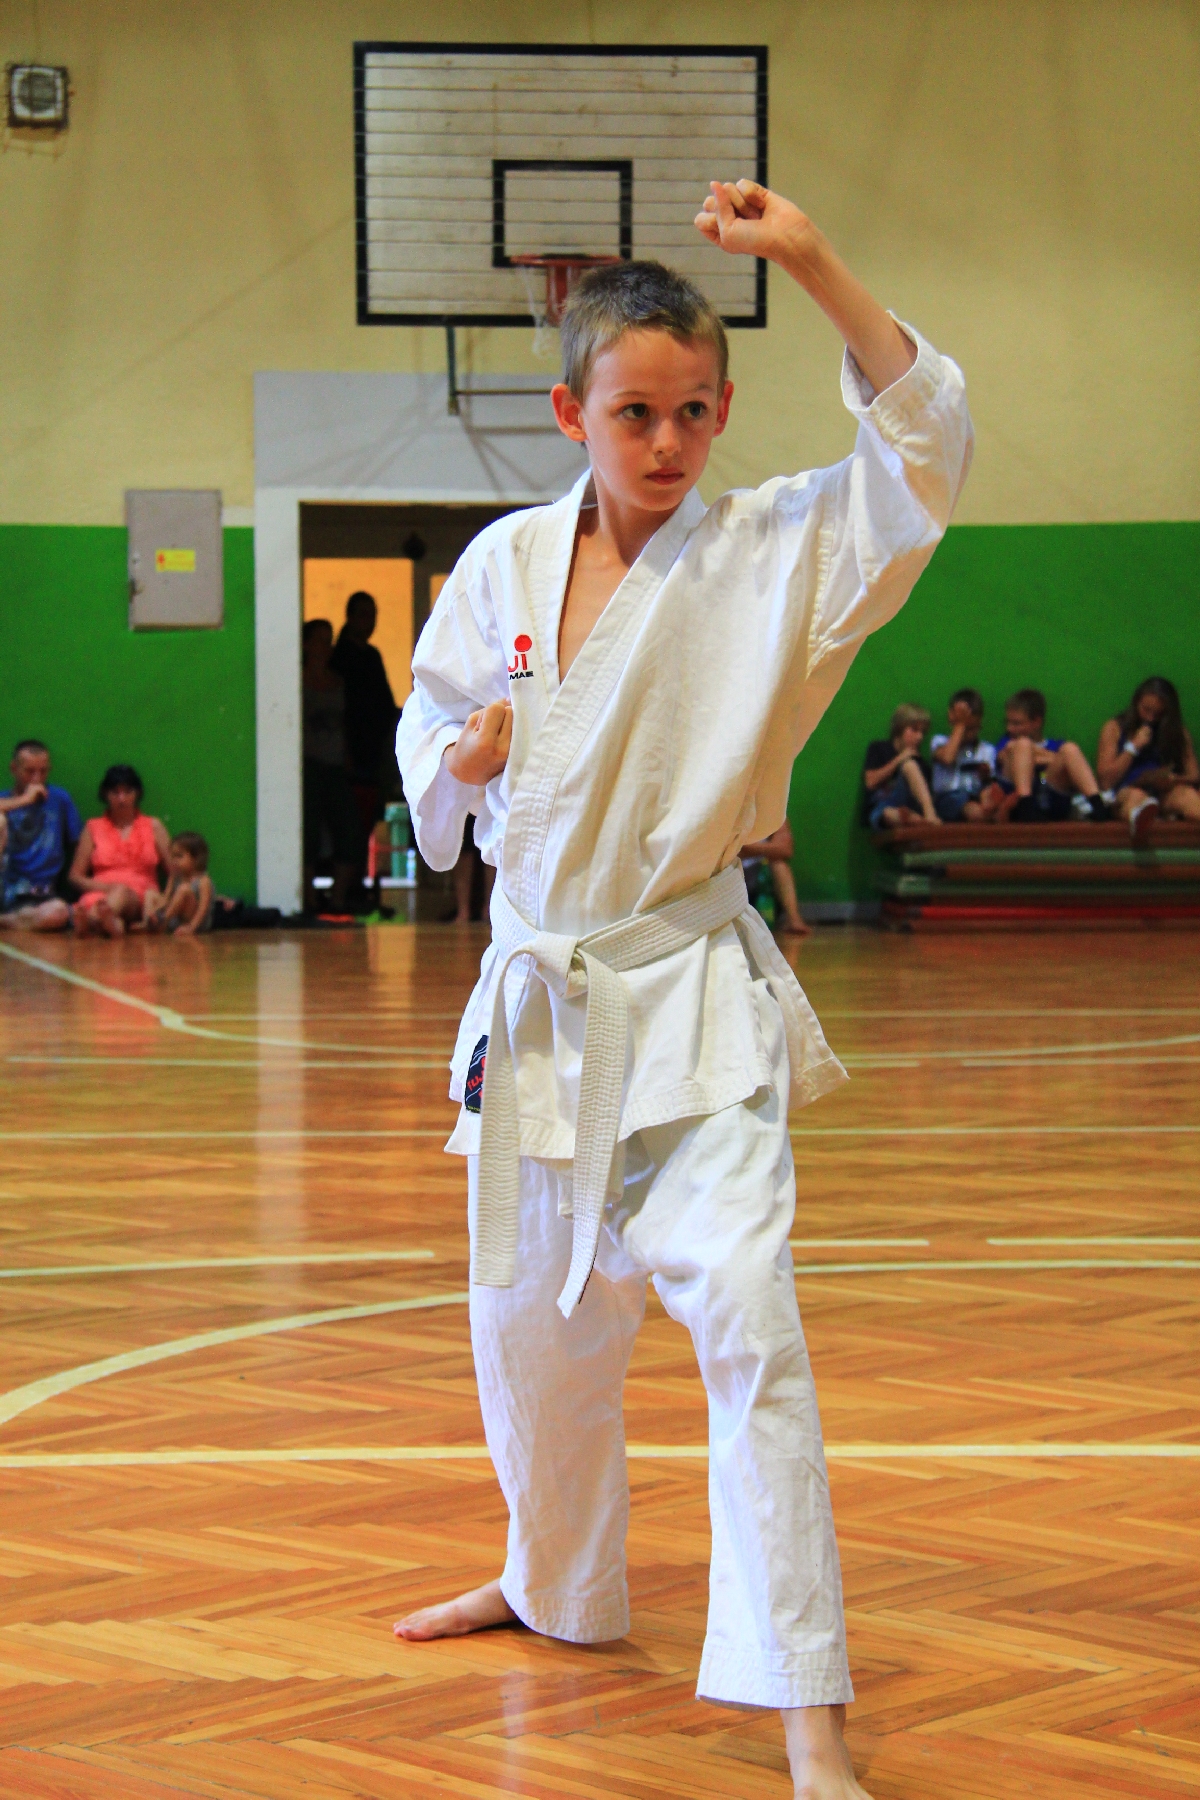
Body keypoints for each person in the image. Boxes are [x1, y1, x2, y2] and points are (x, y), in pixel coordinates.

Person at [394, 178, 971, 1800]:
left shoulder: (782, 550)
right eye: (634, 413)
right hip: (542, 1010)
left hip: (692, 1001)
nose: (667, 443)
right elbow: (428, 739)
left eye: (695, 412)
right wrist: (464, 757)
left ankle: (806, 1712)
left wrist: (813, 260)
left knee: (750, 1331)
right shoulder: (505, 564)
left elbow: (925, 448)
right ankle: (552, 1584)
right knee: (534, 1335)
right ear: (570, 413)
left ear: (724, 409)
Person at [1096, 676, 1200, 843]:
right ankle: (1142, 820)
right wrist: (1133, 747)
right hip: (1127, 791)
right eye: (1146, 710)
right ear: (1136, 703)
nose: (1150, 718)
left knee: (1187, 796)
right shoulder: (1114, 728)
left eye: (1158, 714)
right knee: (1136, 798)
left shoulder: (1177, 732)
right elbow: (1106, 781)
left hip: (1163, 793)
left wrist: (1173, 780)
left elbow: (1194, 775)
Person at [302, 617, 361, 913]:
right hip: (308, 767)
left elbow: (344, 724)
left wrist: (348, 758)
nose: (326, 647)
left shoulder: (339, 681)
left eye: (329, 640)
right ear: (305, 644)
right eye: (319, 640)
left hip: (336, 766)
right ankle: (308, 900)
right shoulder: (296, 679)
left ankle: (337, 900)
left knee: (348, 831)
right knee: (308, 834)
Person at [69, 765, 169, 937]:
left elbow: (176, 872)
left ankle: (92, 922)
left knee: (121, 894)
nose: (121, 799)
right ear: (106, 794)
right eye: (115, 793)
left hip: (139, 897)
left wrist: (164, 901)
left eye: (128, 792)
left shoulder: (153, 826)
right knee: (102, 903)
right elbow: (75, 876)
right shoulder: (93, 827)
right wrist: (108, 888)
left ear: (137, 793)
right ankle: (111, 924)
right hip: (100, 894)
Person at [0, 739, 80, 931]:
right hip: (6, 889)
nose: (37, 779)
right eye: (29, 771)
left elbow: (77, 842)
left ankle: (7, 921)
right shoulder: (5, 799)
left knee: (58, 913)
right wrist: (24, 800)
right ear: (14, 769)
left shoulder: (59, 799)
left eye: (43, 771)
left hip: (43, 894)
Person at [995, 689, 1108, 823]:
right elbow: (1005, 755)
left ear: (1036, 722)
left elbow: (1074, 765)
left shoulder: (1057, 746)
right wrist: (1049, 758)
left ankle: (1098, 806)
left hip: (1050, 797)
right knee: (1022, 745)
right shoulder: (1006, 741)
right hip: (1016, 802)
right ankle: (1026, 808)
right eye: (1007, 722)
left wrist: (1032, 758)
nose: (1009, 728)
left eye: (1016, 723)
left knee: (1070, 749)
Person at [330, 590, 400, 791]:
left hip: (376, 745)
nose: (369, 621)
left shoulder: (372, 656)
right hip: (351, 744)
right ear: (350, 617)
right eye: (363, 614)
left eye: (372, 615)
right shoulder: (340, 657)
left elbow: (384, 702)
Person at [929, 688, 1008, 822]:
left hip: (977, 794)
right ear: (951, 719)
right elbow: (948, 758)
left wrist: (985, 776)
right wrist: (961, 724)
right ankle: (985, 814)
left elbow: (989, 781)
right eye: (964, 728)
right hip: (948, 798)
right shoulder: (940, 742)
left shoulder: (987, 749)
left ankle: (992, 810)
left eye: (972, 728)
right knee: (966, 804)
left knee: (990, 792)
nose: (968, 734)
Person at [862, 704, 941, 829]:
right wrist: (900, 759)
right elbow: (870, 782)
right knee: (890, 813)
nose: (919, 737)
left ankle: (927, 817)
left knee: (910, 765)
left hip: (911, 806)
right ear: (899, 728)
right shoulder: (879, 748)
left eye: (923, 732)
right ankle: (918, 819)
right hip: (882, 807)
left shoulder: (919, 762)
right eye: (914, 730)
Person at [740, 819, 812, 935]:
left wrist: (745, 848)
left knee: (779, 863)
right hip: (730, 878)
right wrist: (768, 848)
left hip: (760, 886)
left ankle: (793, 919)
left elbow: (785, 849)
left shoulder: (772, 812)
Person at [143, 831, 214, 935]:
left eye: (179, 856)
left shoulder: (203, 880)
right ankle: (150, 922)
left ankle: (161, 921)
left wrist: (191, 927)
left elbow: (203, 909)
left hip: (195, 923)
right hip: (176, 919)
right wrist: (156, 910)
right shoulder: (175, 876)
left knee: (184, 889)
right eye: (173, 856)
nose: (174, 861)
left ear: (196, 858)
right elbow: (166, 899)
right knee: (150, 894)